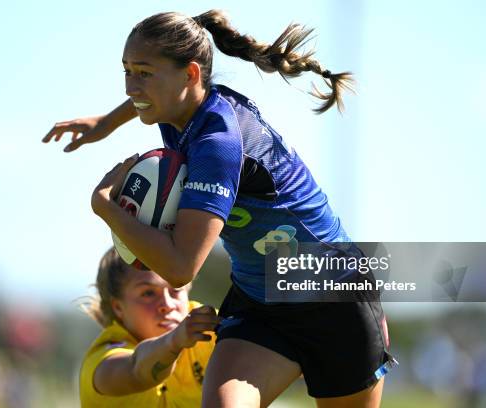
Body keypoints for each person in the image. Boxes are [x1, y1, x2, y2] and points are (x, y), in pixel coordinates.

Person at [46, 10, 397, 407]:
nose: (131, 85)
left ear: (191, 74)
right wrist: (107, 122)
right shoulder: (177, 105)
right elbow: (145, 95)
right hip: (260, 298)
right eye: (126, 70)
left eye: (142, 72)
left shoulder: (216, 142)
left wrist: (106, 208)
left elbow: (181, 268)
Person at [79, 247, 218, 407]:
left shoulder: (211, 329)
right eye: (148, 293)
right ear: (118, 307)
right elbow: (136, 371)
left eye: (175, 289)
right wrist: (173, 341)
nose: (167, 304)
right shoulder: (102, 362)